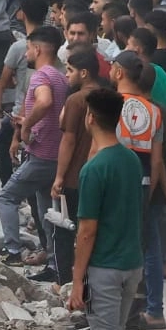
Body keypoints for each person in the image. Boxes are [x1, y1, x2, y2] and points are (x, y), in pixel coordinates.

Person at [73, 87, 146, 330]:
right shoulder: (130, 160)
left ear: (90, 117)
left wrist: (77, 280)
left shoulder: (93, 169)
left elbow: (87, 230)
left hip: (104, 267)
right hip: (131, 262)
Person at [0, 27, 69, 267]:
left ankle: (12, 250)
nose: (26, 53)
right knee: (46, 210)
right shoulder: (60, 77)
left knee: (7, 197)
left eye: (28, 48)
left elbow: (45, 101)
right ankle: (53, 261)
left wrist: (27, 125)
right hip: (57, 154)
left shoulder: (41, 76)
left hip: (42, 154)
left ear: (37, 49)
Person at [114, 52, 166, 329]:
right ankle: (154, 309)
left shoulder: (112, 104)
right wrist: (150, 191)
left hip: (117, 183)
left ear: (119, 72)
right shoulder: (155, 111)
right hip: (145, 182)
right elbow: (157, 160)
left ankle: (116, 308)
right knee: (151, 248)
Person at [48, 46, 107, 285]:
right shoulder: (109, 96)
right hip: (101, 175)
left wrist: (59, 176)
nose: (66, 75)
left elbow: (69, 140)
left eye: (70, 70)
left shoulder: (76, 100)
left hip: (75, 177)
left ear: (84, 73)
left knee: (64, 230)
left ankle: (64, 282)